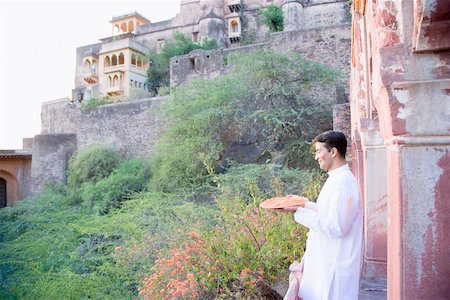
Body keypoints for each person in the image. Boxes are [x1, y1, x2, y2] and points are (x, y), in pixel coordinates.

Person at [282, 130, 363, 300]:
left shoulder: (343, 184)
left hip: (334, 268)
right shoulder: (336, 179)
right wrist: (304, 204)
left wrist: (299, 212)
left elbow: (337, 227)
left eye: (319, 151)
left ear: (333, 152)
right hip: (326, 262)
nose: (316, 157)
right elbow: (329, 212)